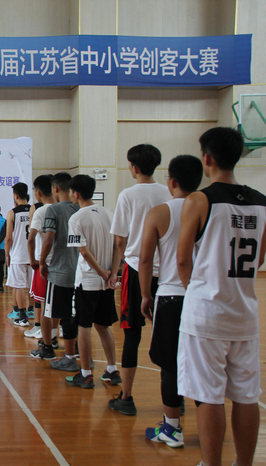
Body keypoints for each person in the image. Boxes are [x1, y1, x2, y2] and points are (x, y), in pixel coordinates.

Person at [177, 127, 266, 466]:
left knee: (208, 395)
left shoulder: (199, 200)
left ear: (207, 158)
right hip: (245, 313)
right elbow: (259, 259)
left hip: (206, 313)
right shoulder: (262, 202)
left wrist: (195, 289)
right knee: (247, 396)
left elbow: (182, 260)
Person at [140, 155, 203, 448]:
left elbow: (145, 259)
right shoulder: (209, 209)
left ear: (172, 181)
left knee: (170, 366)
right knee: (202, 366)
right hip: (203, 297)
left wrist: (145, 295)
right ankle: (208, 430)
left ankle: (172, 429)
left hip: (170, 296)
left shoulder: (159, 212)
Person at [108, 144, 171, 415]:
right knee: (169, 335)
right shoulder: (169, 192)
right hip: (167, 273)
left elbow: (120, 239)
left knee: (131, 334)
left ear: (133, 167)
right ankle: (176, 398)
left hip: (136, 271)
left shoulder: (128, 195)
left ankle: (127, 397)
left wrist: (126, 259)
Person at [64, 174, 120, 388]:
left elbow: (84, 252)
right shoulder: (109, 214)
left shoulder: (77, 218)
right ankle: (112, 370)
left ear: (76, 194)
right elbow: (118, 247)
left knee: (84, 327)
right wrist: (112, 273)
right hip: (106, 282)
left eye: (71, 192)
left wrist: (102, 273)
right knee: (103, 326)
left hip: (87, 281)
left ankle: (86, 374)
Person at [31, 173, 79, 368]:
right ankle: (78, 351)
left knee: (49, 310)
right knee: (74, 313)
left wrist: (41, 261)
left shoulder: (53, 209)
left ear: (55, 188)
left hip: (58, 269)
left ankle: (49, 347)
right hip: (80, 270)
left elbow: (48, 239)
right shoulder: (80, 208)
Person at [25, 175, 56, 340]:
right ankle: (55, 334)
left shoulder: (41, 211)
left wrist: (33, 260)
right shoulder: (66, 209)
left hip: (44, 263)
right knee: (59, 303)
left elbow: (31, 239)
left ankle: (47, 338)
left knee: (44, 302)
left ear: (38, 193)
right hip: (63, 264)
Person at [5, 183, 32, 326]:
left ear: (15, 196)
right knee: (32, 286)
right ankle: (33, 311)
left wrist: (7, 254)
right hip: (33, 254)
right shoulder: (34, 210)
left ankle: (22, 316)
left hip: (18, 254)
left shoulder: (13, 213)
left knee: (19, 286)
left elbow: (8, 238)